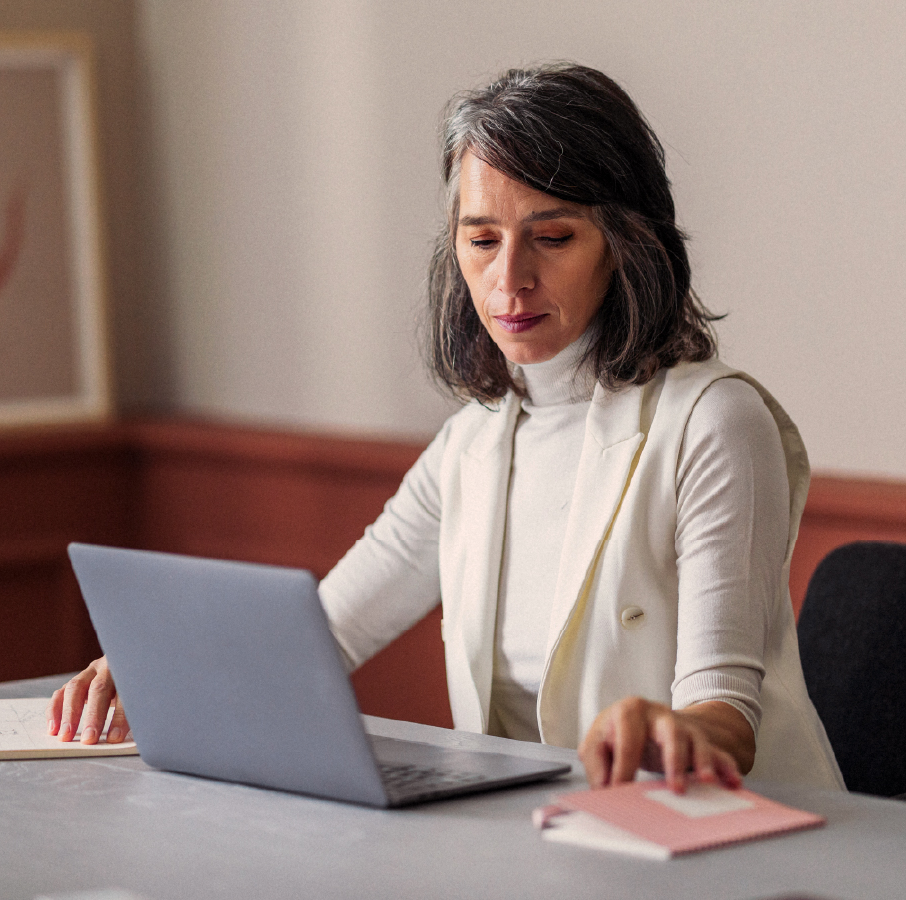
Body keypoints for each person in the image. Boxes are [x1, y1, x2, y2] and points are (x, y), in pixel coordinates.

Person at [49, 62, 845, 793]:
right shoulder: (474, 442)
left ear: (626, 246)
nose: (510, 279)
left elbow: (727, 718)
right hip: (546, 849)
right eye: (482, 239)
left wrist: (667, 730)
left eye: (554, 237)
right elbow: (324, 635)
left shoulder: (714, 420)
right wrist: (164, 672)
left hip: (729, 840)